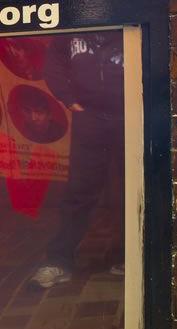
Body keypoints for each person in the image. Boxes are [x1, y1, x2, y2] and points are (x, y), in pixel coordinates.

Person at [31, 33, 125, 289]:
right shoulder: (76, 23)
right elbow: (54, 61)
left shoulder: (127, 9)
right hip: (90, 117)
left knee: (135, 187)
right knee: (79, 191)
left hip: (131, 114)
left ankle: (132, 256)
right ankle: (58, 261)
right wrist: (70, 100)